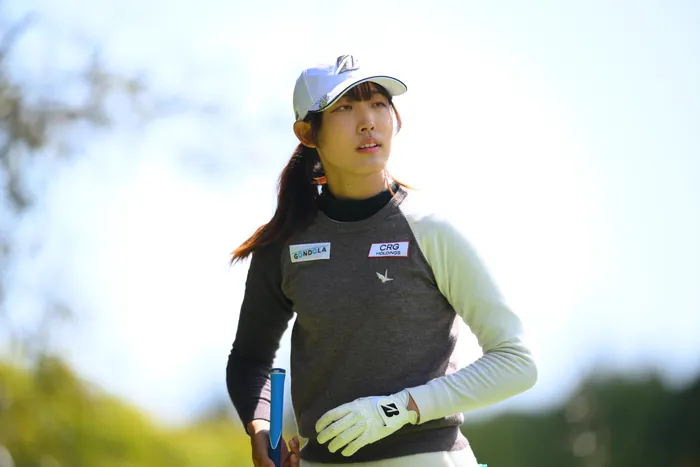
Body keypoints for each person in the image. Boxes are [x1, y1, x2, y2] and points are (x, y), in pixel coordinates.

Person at [226, 54, 538, 467]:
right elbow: (250, 360)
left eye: (378, 104)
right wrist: (262, 429)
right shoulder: (284, 244)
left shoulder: (432, 230)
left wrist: (397, 409)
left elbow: (516, 363)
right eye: (344, 108)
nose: (367, 122)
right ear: (307, 132)